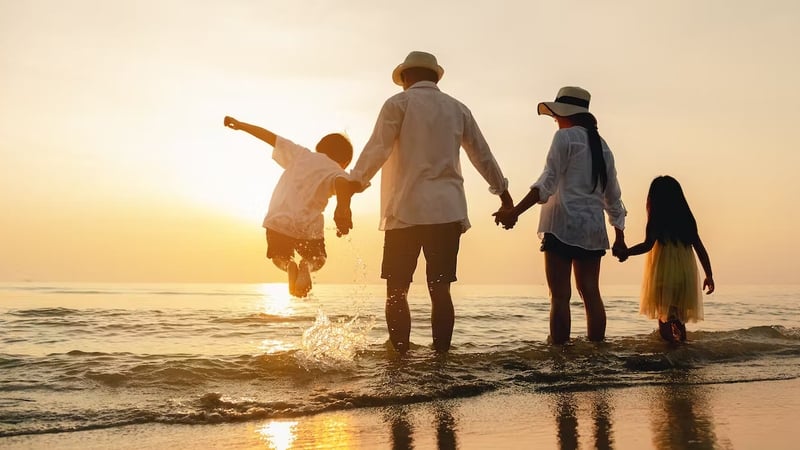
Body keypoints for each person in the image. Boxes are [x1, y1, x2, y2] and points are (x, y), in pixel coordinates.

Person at [334, 51, 513, 354]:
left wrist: (352, 187)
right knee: (440, 289)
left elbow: (376, 150)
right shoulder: (458, 109)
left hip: (405, 211)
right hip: (447, 211)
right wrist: (505, 197)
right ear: (435, 77)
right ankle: (441, 359)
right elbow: (482, 155)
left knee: (396, 290)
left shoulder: (398, 104)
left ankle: (400, 358)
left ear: (404, 77)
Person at [494, 86, 627, 345]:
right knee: (590, 293)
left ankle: (560, 356)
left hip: (562, 225)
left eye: (556, 116)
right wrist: (619, 236)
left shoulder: (564, 138)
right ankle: (596, 353)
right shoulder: (603, 146)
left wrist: (514, 212)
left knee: (559, 295)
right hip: (592, 229)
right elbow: (613, 196)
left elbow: (547, 182)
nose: (555, 120)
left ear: (566, 115)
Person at [224, 116, 353, 297]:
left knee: (279, 257)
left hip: (278, 221)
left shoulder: (301, 154)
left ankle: (289, 265)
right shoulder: (337, 171)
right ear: (345, 162)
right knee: (318, 259)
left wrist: (240, 125)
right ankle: (305, 266)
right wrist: (343, 209)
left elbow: (270, 137)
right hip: (308, 227)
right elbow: (342, 183)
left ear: (319, 148)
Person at [615, 175, 715, 342]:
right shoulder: (686, 220)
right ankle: (681, 349)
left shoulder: (657, 219)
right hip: (685, 276)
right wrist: (709, 275)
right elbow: (700, 248)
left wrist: (627, 253)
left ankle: (670, 352)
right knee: (678, 318)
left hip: (664, 275)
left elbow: (647, 245)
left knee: (664, 318)